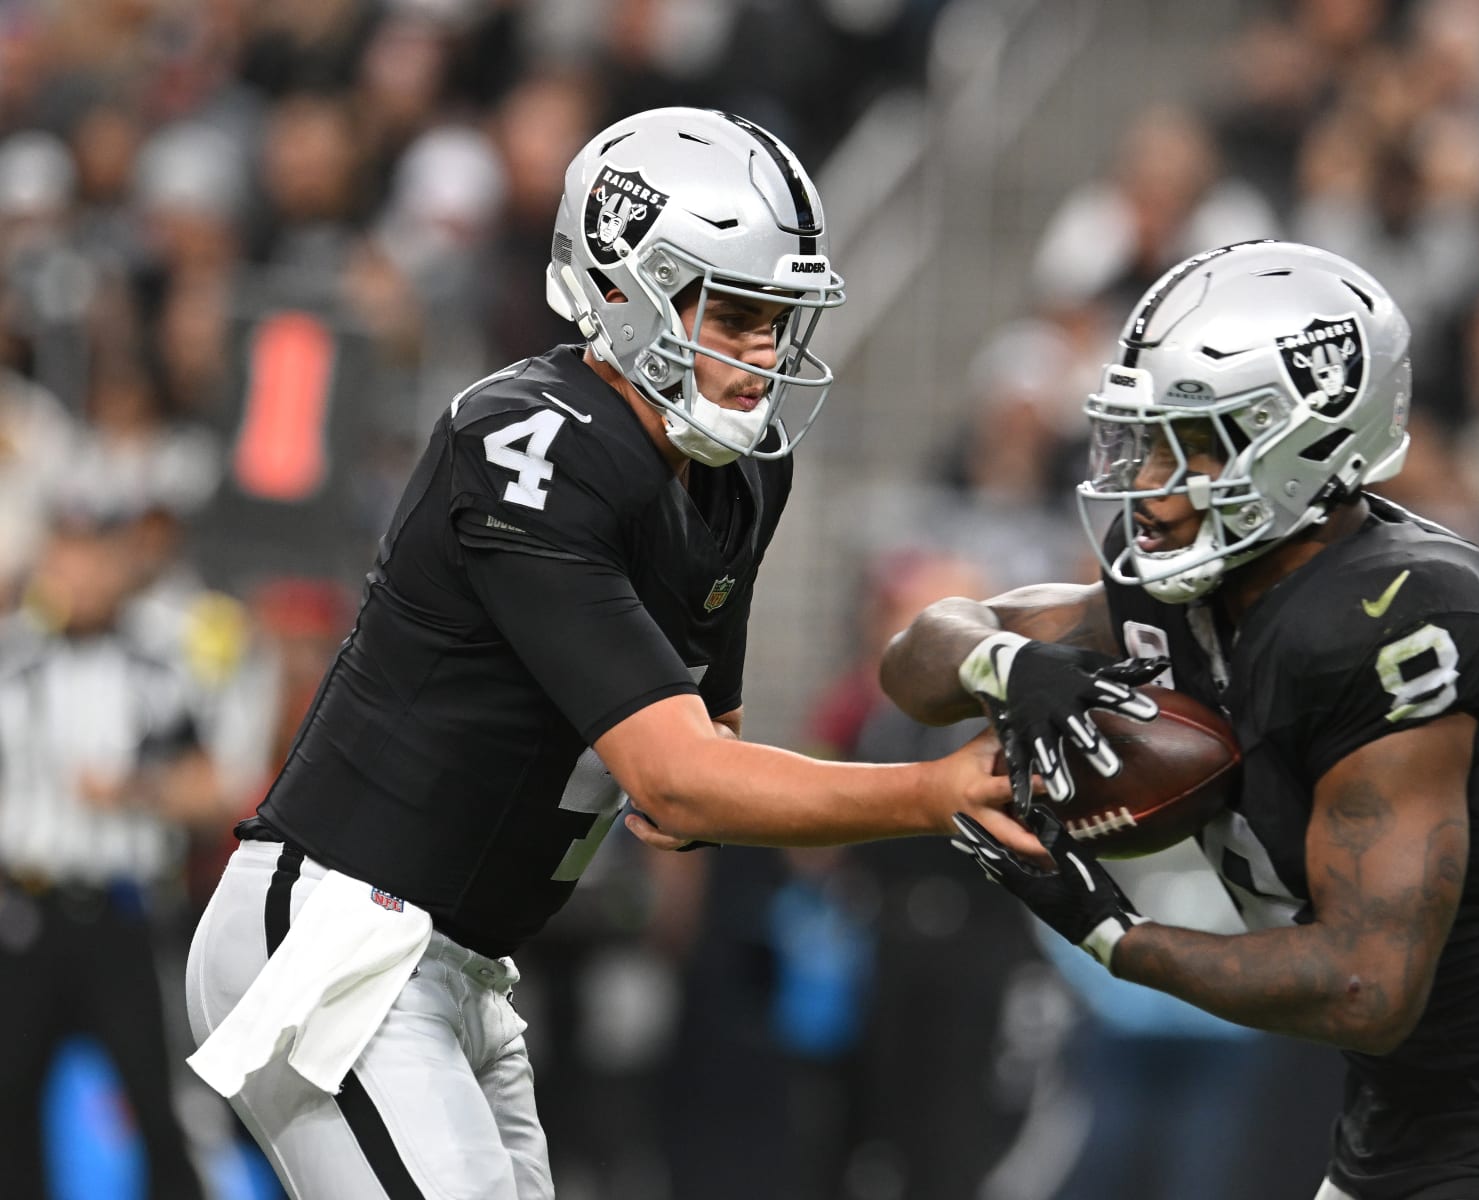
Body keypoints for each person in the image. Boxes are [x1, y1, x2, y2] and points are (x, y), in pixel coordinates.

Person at [184, 107, 1030, 1200]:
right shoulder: (526, 443)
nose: (765, 353)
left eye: (782, 318)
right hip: (341, 936)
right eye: (736, 313)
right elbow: (677, 776)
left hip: (463, 965)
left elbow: (693, 784)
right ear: (626, 289)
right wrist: (932, 790)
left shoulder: (739, 475)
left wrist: (715, 780)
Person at [882, 240, 1479, 1199]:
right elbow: (921, 655)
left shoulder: (1401, 610)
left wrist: (1114, 935)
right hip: (1404, 1109)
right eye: (1139, 438)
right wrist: (1007, 665)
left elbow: (1367, 987)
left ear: (1297, 439)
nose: (1148, 478)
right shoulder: (1184, 587)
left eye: (1187, 440)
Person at [0, 501, 220, 1200]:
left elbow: (212, 789)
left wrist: (137, 788)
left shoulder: (157, 672)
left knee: (155, 1100)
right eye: (65, 560)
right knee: (9, 1098)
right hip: (24, 913)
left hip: (122, 917)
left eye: (93, 560)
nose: (78, 579)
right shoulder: (12, 665)